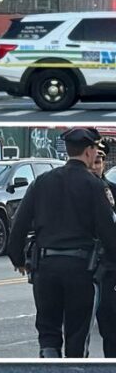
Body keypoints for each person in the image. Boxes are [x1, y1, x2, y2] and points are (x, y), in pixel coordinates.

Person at [7, 127, 116, 358]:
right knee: (77, 335)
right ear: (88, 151)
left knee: (48, 333)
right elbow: (109, 234)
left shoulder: (41, 182)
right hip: (81, 271)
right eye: (95, 149)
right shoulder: (95, 186)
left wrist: (18, 259)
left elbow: (19, 225)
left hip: (45, 269)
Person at [90, 140, 116, 357]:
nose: (95, 166)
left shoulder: (111, 189)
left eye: (99, 161)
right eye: (93, 161)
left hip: (107, 266)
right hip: (84, 263)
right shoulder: (80, 186)